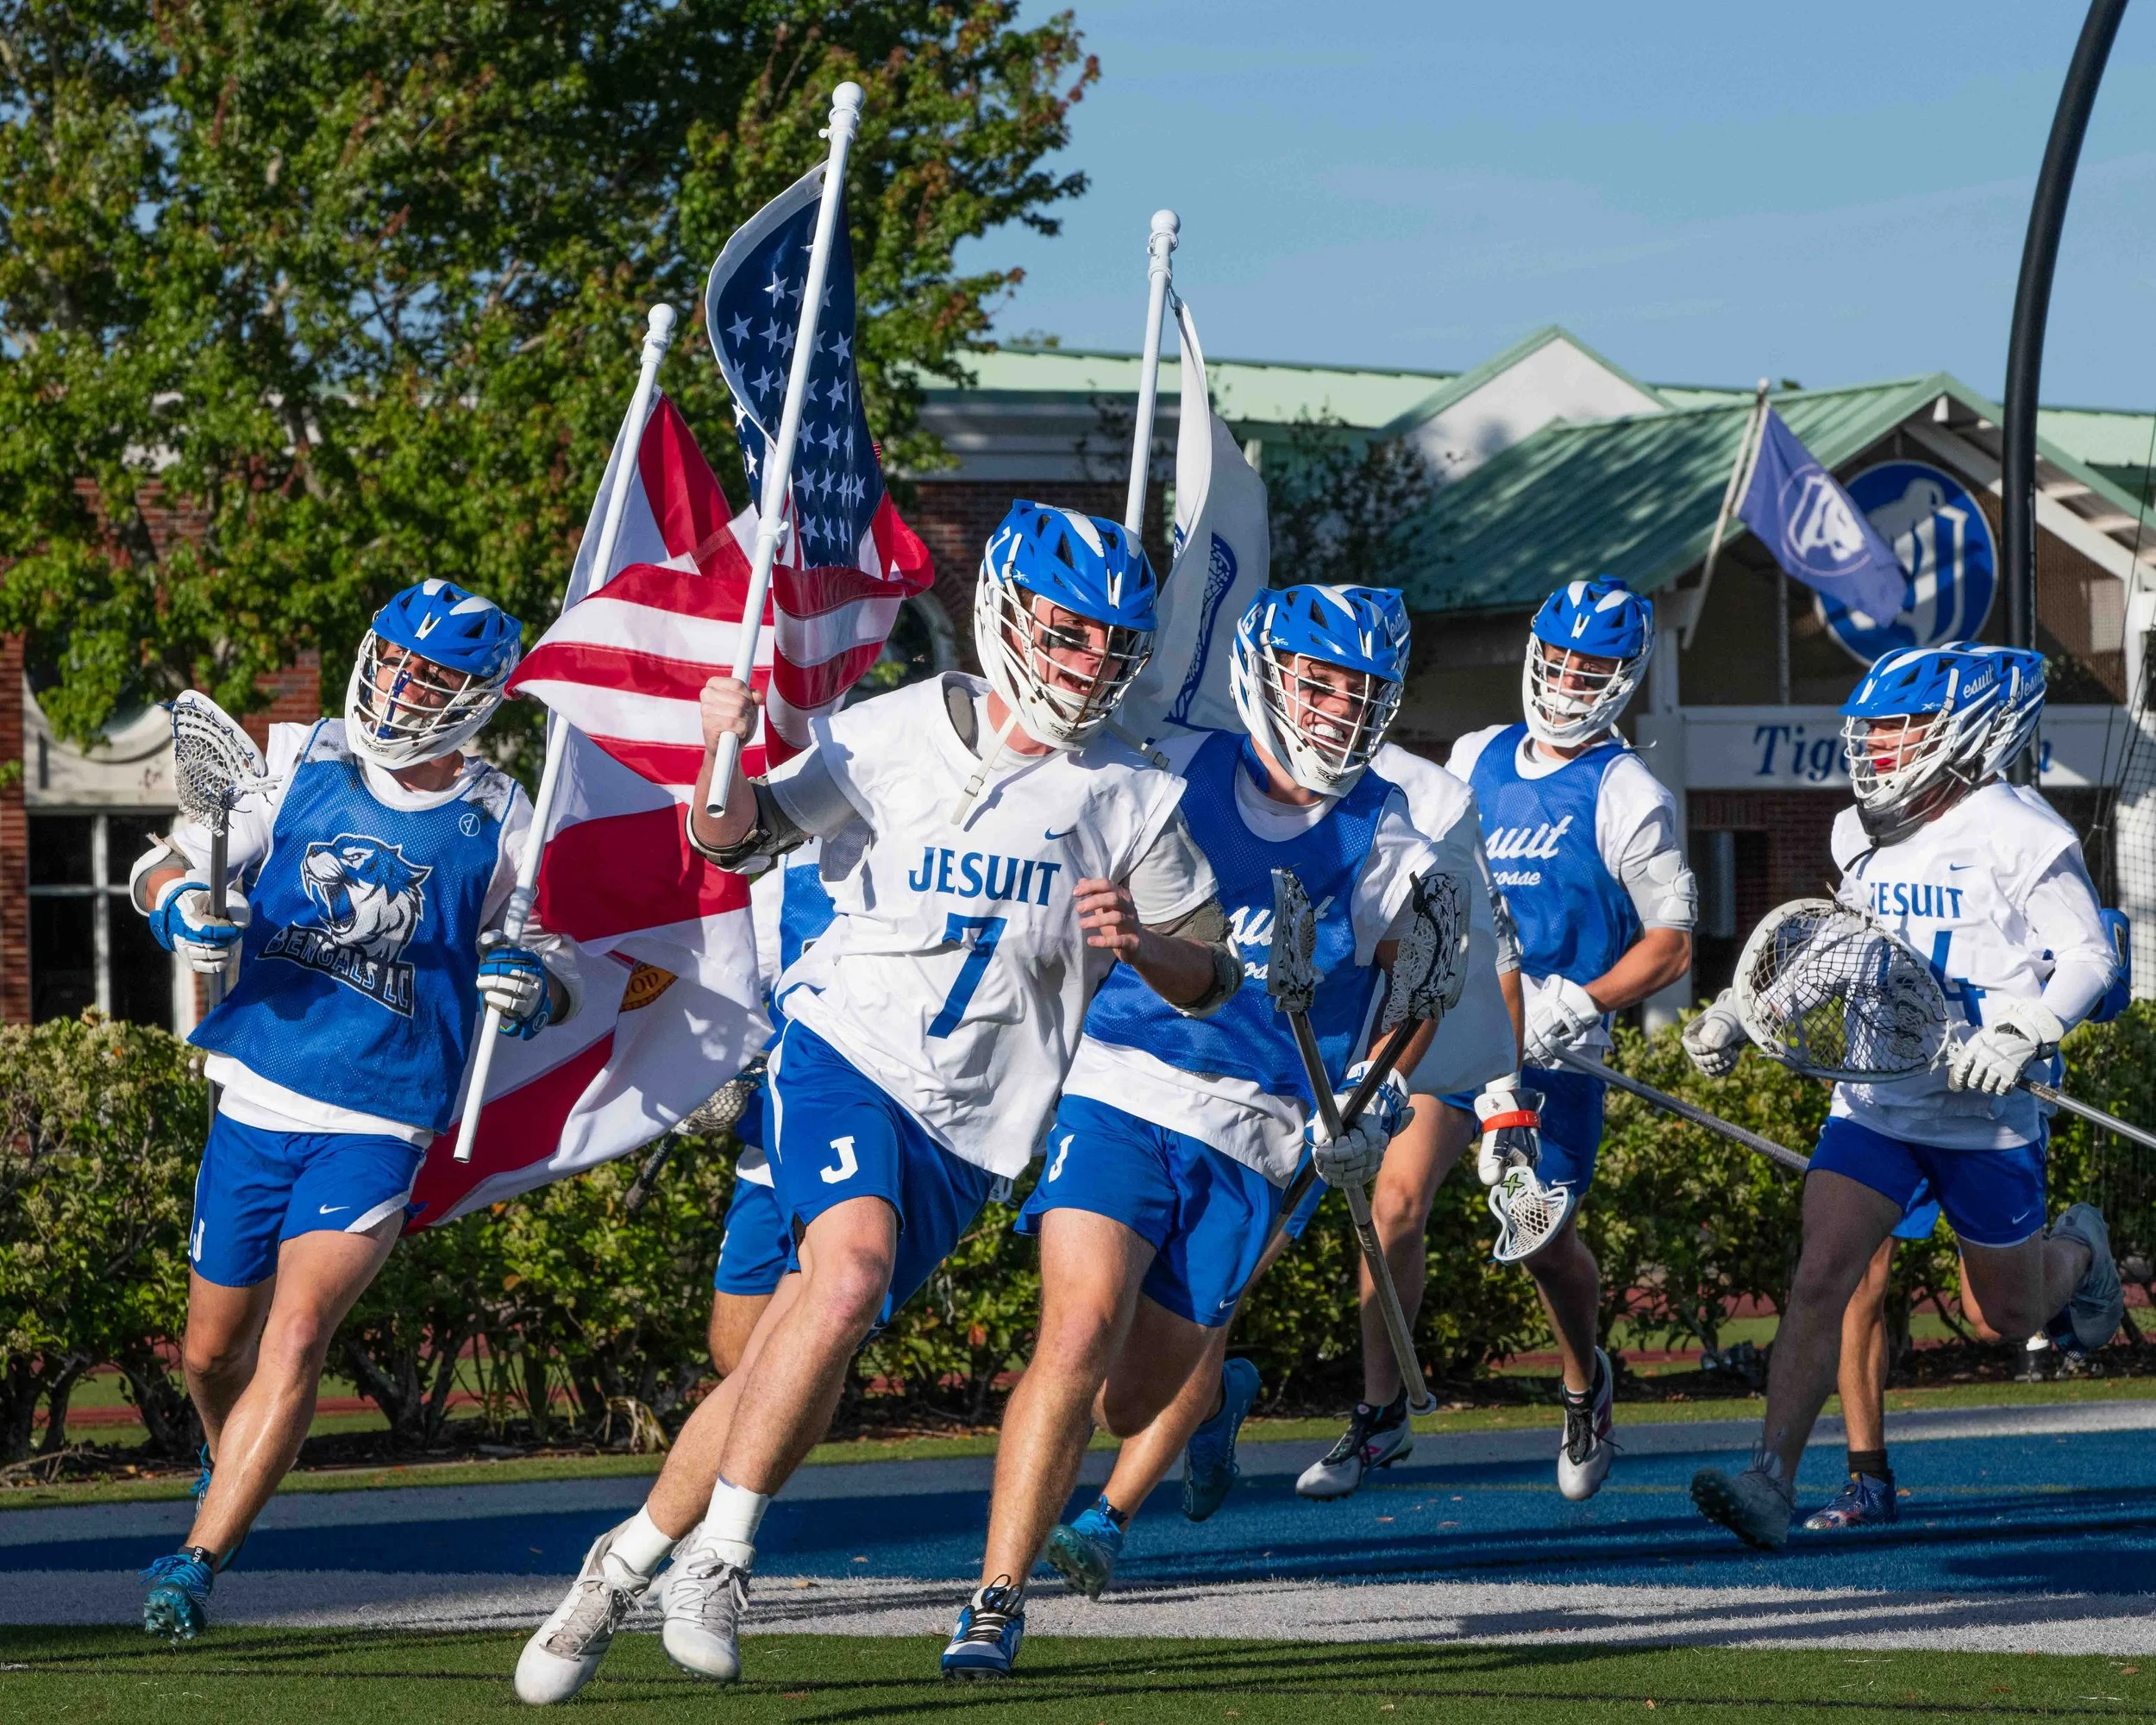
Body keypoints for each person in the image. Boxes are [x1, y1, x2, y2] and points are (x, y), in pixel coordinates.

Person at [514, 501, 1241, 1703]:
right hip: (845, 1046)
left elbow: (1212, 969)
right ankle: (724, 1557)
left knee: (794, 1347)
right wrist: (720, 751)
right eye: (1068, 634)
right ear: (1005, 616)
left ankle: (623, 1558)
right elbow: (734, 842)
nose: (1089, 665)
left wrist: (1145, 947)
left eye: (1112, 646)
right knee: (844, 1279)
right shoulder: (893, 732)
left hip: (976, 1120)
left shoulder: (1129, 792)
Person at [985, 585, 1443, 1648]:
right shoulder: (1167, 768)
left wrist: (1375, 1093)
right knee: (1078, 1330)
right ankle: (997, 1597)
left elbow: (1420, 987)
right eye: (1318, 681)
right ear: (1264, 675)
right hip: (1122, 1080)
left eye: (1360, 689)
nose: (1337, 707)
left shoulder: (1388, 835)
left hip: (1263, 1125)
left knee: (1131, 1398)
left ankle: (1200, 1403)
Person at [132, 580, 573, 1641]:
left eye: (430, 673)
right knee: (207, 1353)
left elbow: (550, 959)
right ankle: (221, 1444)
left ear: (476, 695)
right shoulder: (298, 758)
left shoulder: (507, 814)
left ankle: (197, 1559)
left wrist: (529, 983)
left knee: (296, 1333)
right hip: (256, 1089)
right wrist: (181, 906)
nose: (399, 682)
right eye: (393, 657)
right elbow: (162, 864)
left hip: (379, 1114)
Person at [1683, 643, 2122, 1549]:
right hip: (1875, 1101)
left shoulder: (2020, 828)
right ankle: (1771, 1478)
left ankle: (2079, 1251)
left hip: (1981, 1115)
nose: (1876, 745)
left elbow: (2090, 958)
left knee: (2004, 1311)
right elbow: (1847, 945)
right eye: (1871, 727)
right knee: (1821, 1274)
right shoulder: (1861, 831)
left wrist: (2025, 1029)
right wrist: (1742, 1007)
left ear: (1960, 731)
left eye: (1897, 727)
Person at [1388, 574, 1695, 1504]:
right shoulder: (1475, 752)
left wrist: (1585, 998)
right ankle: (1383, 1404)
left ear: (1623, 674)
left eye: (1589, 664)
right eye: (1556, 656)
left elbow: (1673, 943)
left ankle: (1582, 1381)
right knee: (1395, 1199)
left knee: (1540, 1243)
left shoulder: (1627, 787)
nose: (1565, 678)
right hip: (1465, 1033)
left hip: (1555, 1056)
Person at [1291, 737, 1525, 1498]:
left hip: (1436, 1037)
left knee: (1395, 1204)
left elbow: (1491, 951)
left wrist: (1503, 1094)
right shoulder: (1254, 765)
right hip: (1328, 1043)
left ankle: (1384, 1408)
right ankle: (1207, 1402)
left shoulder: (1436, 796)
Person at [705, 842, 843, 1377]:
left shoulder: (918, 856)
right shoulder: (794, 873)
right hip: (774, 1147)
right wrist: (703, 1072)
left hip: (859, 1139)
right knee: (735, 1352)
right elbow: (720, 981)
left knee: (814, 1341)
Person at [1803, 1195, 1939, 1530]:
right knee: (1860, 1278)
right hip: (1891, 1141)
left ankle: (2078, 1257)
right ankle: (1870, 1485)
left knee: (1997, 1314)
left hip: (1977, 1141)